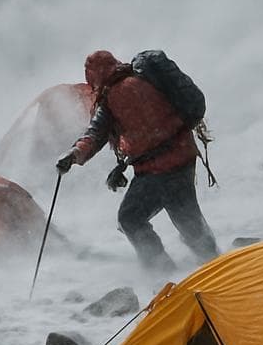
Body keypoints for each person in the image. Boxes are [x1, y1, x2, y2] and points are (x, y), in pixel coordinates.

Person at [55, 50, 218, 274]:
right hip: (181, 157)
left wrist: (74, 154)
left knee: (131, 218)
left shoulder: (113, 96)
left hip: (158, 170)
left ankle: (166, 272)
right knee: (189, 222)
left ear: (95, 74)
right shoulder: (142, 78)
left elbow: (95, 135)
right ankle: (216, 266)